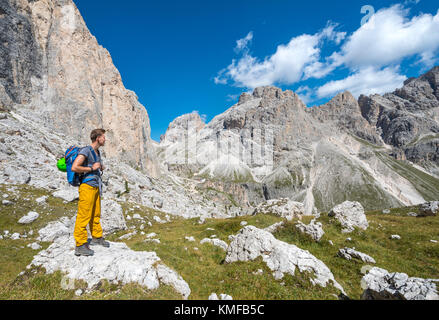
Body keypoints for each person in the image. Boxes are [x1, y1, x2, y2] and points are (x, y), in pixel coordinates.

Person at [72, 128, 110, 256]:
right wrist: (90, 168)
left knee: (96, 213)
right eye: (103, 137)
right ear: (98, 138)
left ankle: (97, 237)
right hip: (87, 186)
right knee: (84, 215)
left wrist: (100, 167)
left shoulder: (97, 152)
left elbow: (96, 167)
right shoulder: (86, 150)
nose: (105, 139)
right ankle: (80, 244)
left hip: (95, 187)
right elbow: (75, 167)